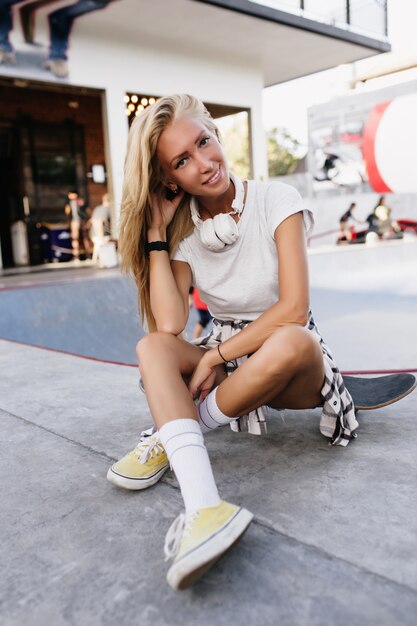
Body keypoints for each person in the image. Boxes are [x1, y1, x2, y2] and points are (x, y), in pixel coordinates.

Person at [106, 94, 358, 591]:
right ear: (168, 180)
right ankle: (205, 506)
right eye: (182, 161)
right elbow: (169, 326)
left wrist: (220, 356)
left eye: (203, 142)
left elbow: (294, 309)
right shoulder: (184, 236)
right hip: (224, 354)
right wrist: (157, 233)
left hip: (284, 358)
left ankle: (175, 431)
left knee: (292, 340)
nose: (203, 164)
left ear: (216, 134)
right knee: (150, 350)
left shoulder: (276, 199)